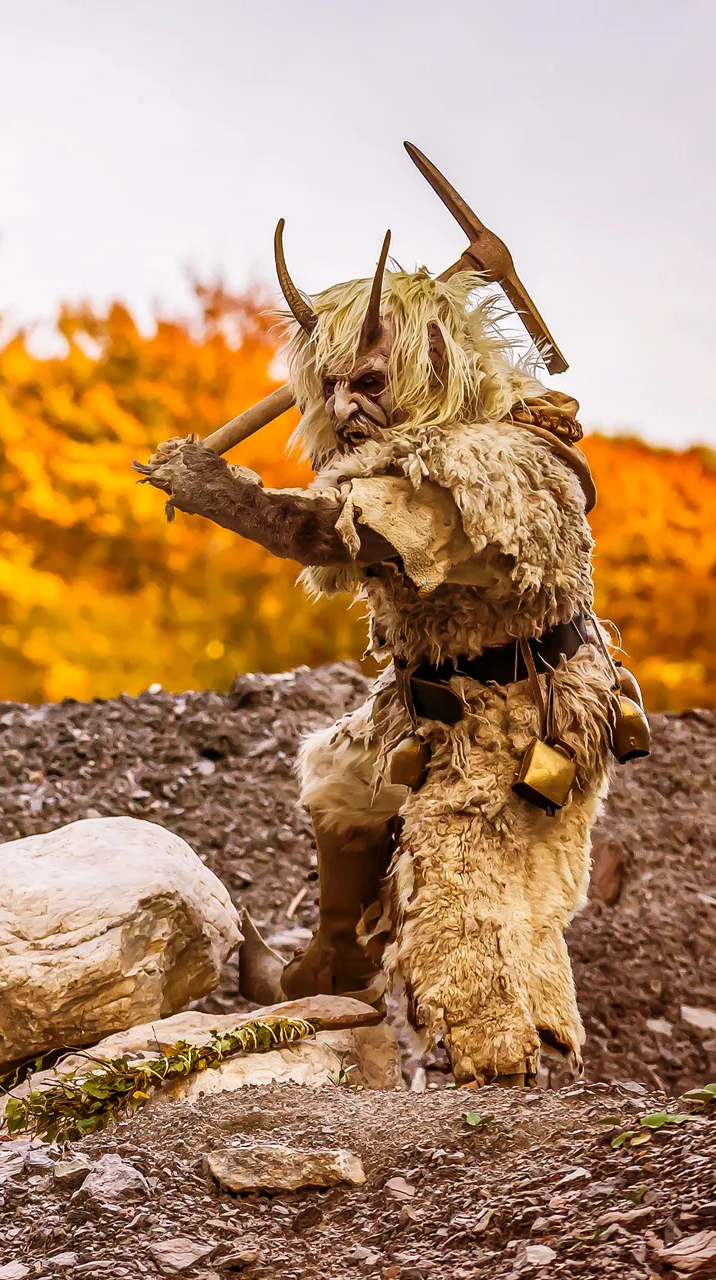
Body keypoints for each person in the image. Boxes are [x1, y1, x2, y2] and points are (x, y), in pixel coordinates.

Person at [140, 227, 624, 1084]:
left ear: (436, 370)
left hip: (524, 720)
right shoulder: (381, 461)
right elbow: (345, 501)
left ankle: (507, 1088)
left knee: (464, 890)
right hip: (431, 699)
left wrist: (223, 494)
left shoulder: (491, 466)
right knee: (343, 783)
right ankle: (333, 979)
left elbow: (332, 532)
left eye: (369, 380)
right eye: (331, 385)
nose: (347, 402)